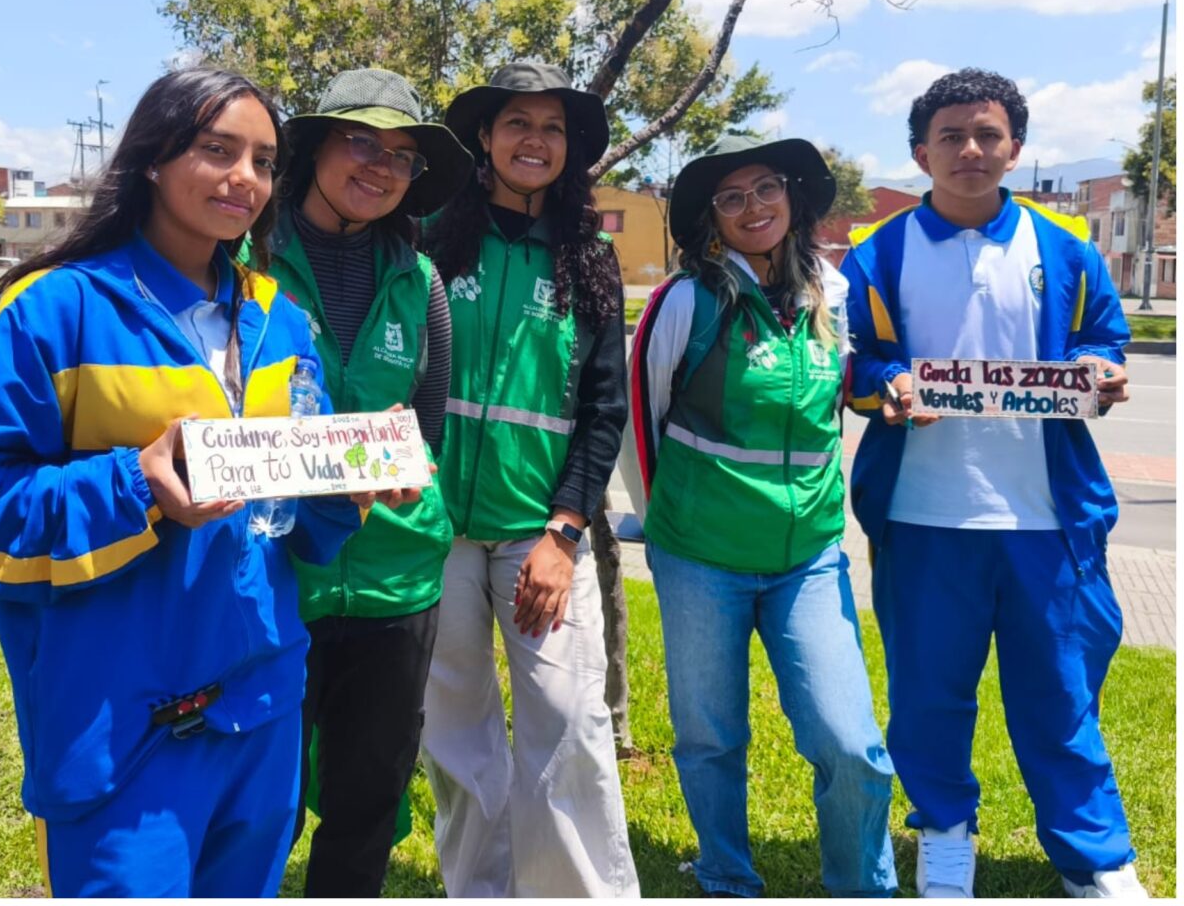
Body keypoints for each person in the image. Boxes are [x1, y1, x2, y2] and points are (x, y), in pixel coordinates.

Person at [0, 66, 411, 897]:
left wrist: (345, 487)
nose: (244, 179)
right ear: (152, 157)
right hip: (119, 723)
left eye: (262, 160)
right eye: (218, 150)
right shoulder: (54, 309)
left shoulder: (281, 320)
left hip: (263, 708)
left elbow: (296, 526)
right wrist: (136, 486)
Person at [843, 70, 1142, 899]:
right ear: (920, 152)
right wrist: (890, 385)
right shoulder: (878, 254)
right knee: (928, 697)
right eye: (950, 137)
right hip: (925, 515)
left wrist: (1099, 371)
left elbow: (1103, 339)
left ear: (1015, 147)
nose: (969, 150)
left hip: (1047, 519)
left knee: (1062, 696)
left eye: (986, 135)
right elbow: (856, 362)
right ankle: (944, 836)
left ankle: (1097, 859)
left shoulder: (1067, 249)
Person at [629, 133, 896, 899]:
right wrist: (662, 526)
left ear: (794, 197)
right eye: (732, 196)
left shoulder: (834, 296)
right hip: (697, 557)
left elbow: (855, 388)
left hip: (807, 557)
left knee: (850, 744)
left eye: (766, 188)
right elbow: (642, 424)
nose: (754, 207)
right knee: (711, 735)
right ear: (712, 218)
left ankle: (862, 887)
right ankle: (724, 874)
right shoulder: (686, 301)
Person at [421, 61, 637, 896]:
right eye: (516, 122)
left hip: (536, 535)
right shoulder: (432, 234)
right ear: (484, 135)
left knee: (570, 728)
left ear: (571, 148)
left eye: (552, 128)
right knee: (455, 730)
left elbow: (604, 409)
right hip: (433, 530)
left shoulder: (590, 257)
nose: (533, 141)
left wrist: (562, 534)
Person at [264, 69, 472, 898]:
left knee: (369, 792)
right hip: (280, 574)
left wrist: (398, 469)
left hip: (396, 575)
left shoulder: (421, 285)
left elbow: (426, 426)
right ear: (313, 147)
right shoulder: (249, 260)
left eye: (403, 156)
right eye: (361, 142)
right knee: (262, 788)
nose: (381, 167)